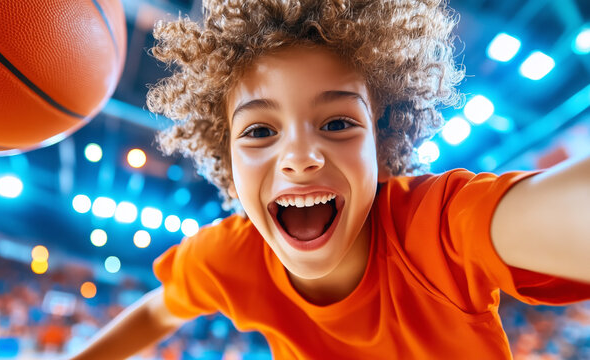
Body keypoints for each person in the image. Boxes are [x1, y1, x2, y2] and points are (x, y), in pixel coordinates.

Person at [71, 0, 590, 358]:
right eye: (258, 130)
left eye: (338, 122)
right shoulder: (229, 257)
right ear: (226, 159)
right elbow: (158, 312)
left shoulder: (440, 228)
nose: (299, 156)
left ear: (382, 145)